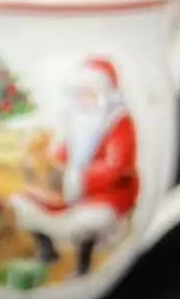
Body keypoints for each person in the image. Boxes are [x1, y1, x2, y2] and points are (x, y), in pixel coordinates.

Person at [11, 58, 141, 278]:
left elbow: (115, 167)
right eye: (80, 94)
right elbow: (63, 153)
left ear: (104, 94)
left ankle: (83, 266)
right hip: (68, 190)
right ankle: (47, 251)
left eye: (89, 94)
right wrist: (47, 164)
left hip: (107, 192)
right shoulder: (79, 121)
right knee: (23, 203)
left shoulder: (119, 123)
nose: (83, 99)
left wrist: (77, 179)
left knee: (89, 220)